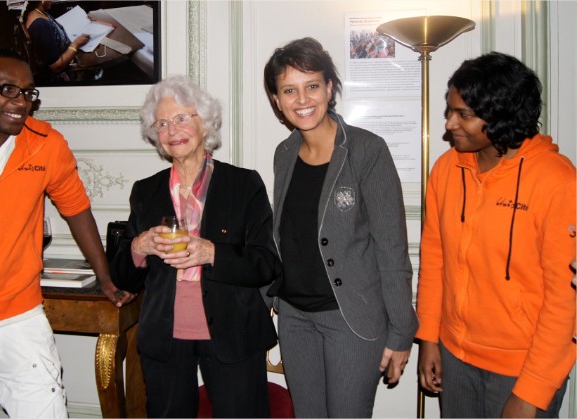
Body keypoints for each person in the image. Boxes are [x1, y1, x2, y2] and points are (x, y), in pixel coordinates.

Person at [0, 48, 133, 418]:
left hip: (21, 318)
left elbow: (77, 210)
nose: (21, 102)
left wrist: (105, 276)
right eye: (8, 90)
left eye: (28, 92)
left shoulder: (46, 145)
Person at [263, 37, 418, 418]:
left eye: (312, 85)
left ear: (330, 88)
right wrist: (264, 303)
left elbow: (391, 248)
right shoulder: (283, 154)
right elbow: (283, 238)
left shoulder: (368, 150)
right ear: (276, 100)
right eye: (289, 90)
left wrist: (402, 333)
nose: (302, 99)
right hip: (295, 319)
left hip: (350, 319)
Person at [416, 51, 576, 418]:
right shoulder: (445, 169)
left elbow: (565, 302)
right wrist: (428, 337)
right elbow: (435, 257)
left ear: (502, 116)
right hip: (454, 358)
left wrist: (532, 391)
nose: (449, 124)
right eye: (449, 110)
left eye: (464, 115)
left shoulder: (557, 182)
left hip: (522, 367)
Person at [109, 75, 280, 418]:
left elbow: (266, 264)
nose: (173, 130)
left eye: (183, 118)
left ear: (206, 124)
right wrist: (139, 246)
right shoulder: (145, 191)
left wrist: (210, 252)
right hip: (165, 333)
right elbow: (124, 277)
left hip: (233, 331)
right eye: (163, 123)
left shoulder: (243, 184)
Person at [20, 0, 91, 83]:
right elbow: (56, 67)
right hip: (54, 76)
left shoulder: (34, 12)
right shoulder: (41, 25)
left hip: (62, 52)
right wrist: (76, 44)